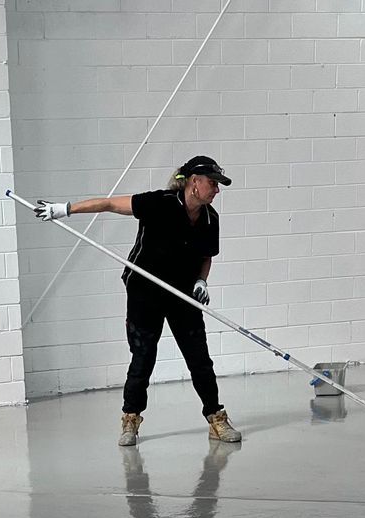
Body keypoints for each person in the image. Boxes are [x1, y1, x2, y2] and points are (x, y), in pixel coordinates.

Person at [35, 156, 243, 448]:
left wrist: (201, 281)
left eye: (218, 185)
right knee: (143, 357)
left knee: (199, 358)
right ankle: (130, 419)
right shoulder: (158, 203)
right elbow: (108, 204)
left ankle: (215, 418)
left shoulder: (211, 218)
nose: (216, 191)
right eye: (212, 183)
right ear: (194, 182)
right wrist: (64, 209)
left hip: (182, 293)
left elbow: (206, 256)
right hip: (145, 290)